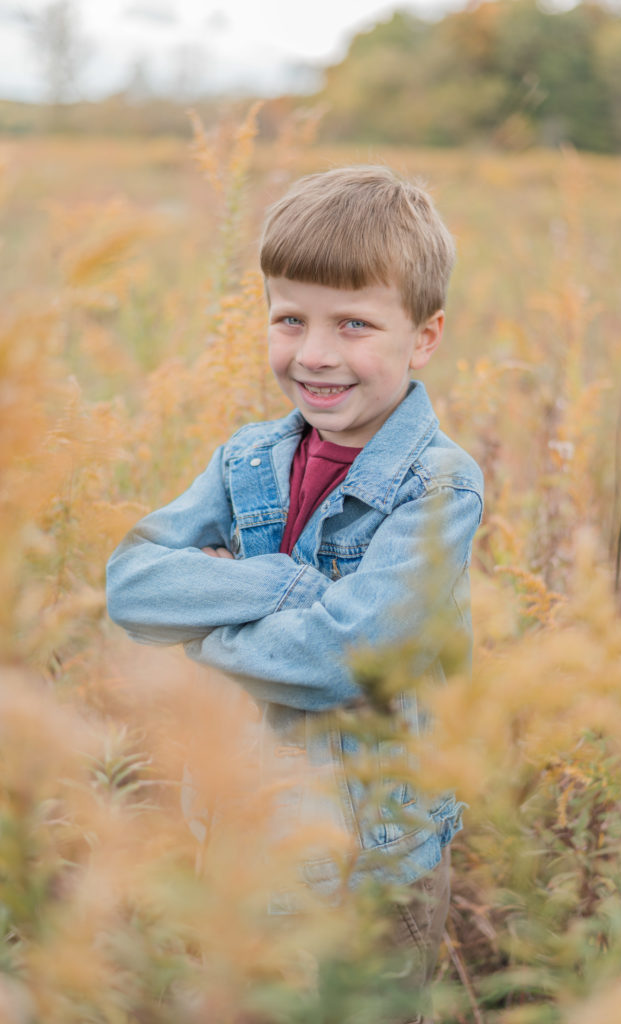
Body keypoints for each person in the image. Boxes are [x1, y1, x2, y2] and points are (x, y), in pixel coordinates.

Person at [106, 165, 483, 1021]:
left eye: (354, 324)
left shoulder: (437, 485)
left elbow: (335, 657)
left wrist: (202, 630)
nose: (314, 354)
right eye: (290, 320)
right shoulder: (247, 458)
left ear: (423, 337)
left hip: (373, 866)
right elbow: (131, 581)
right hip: (244, 835)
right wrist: (278, 581)